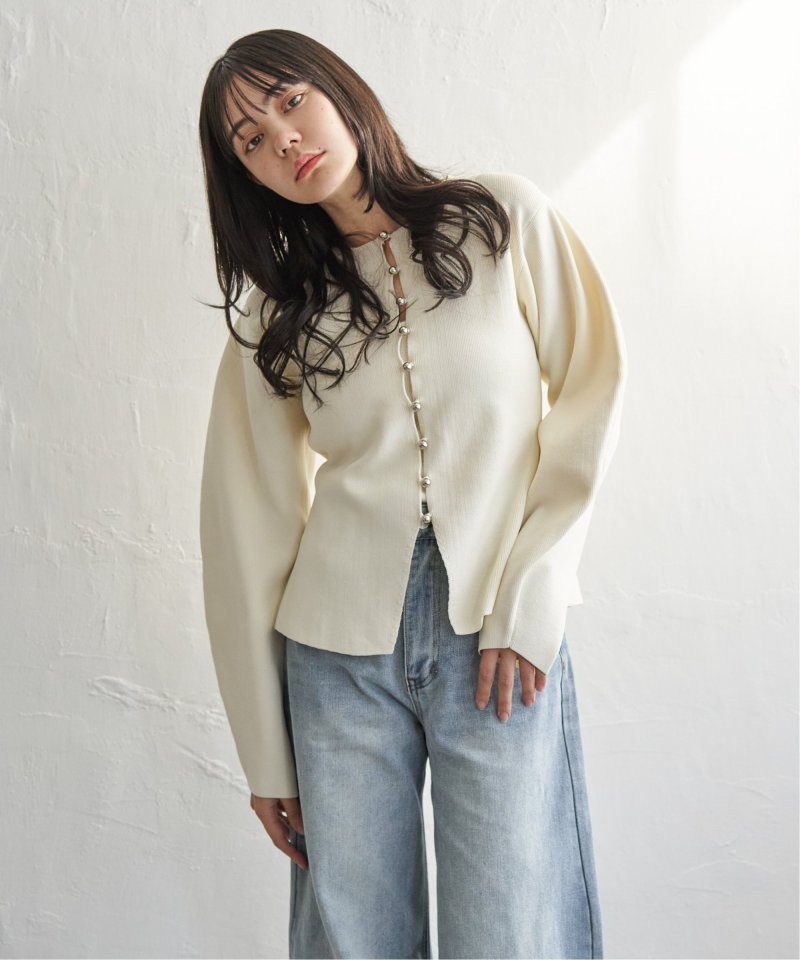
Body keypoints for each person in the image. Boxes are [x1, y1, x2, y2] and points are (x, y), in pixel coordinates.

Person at [197, 27, 626, 960]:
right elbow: (245, 526)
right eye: (251, 140)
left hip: (497, 640)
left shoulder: (500, 220)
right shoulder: (276, 311)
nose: (283, 139)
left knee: (512, 929)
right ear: (245, 175)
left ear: (339, 89)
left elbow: (591, 396)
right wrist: (264, 750)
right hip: (336, 659)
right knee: (353, 939)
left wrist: (534, 597)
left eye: (290, 101)